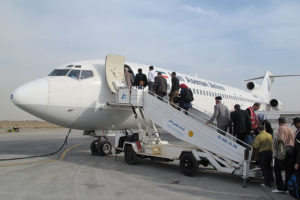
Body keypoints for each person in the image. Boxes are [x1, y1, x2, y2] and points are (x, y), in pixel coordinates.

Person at [272, 117, 295, 193]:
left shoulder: (281, 128)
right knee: (288, 170)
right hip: (291, 149)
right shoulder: (291, 129)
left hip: (283, 150)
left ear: (279, 122)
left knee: (277, 168)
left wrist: (277, 139)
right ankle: (287, 187)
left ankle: (280, 187)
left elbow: (281, 138)